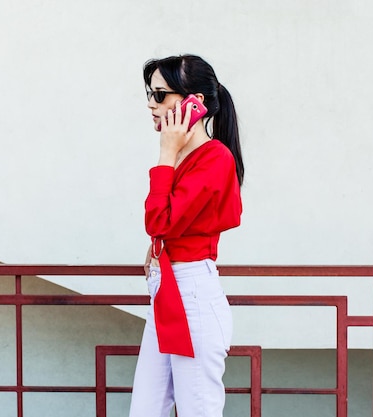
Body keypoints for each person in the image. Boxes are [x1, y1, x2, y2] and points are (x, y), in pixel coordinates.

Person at [128, 54, 244, 417]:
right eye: (150, 93)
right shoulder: (185, 157)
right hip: (168, 293)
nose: (151, 103)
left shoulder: (214, 158)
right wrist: (160, 249)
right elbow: (167, 227)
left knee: (199, 411)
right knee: (145, 411)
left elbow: (159, 221)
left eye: (160, 95)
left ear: (195, 102)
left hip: (192, 295)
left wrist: (166, 152)